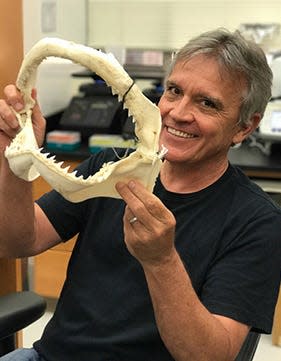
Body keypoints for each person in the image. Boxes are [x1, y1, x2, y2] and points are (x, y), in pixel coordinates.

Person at [0, 28, 280, 361]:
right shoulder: (108, 166)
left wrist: (161, 261)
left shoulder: (257, 223)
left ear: (245, 126)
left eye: (207, 103)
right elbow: (18, 242)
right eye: (174, 91)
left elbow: (210, 356)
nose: (178, 113)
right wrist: (16, 160)